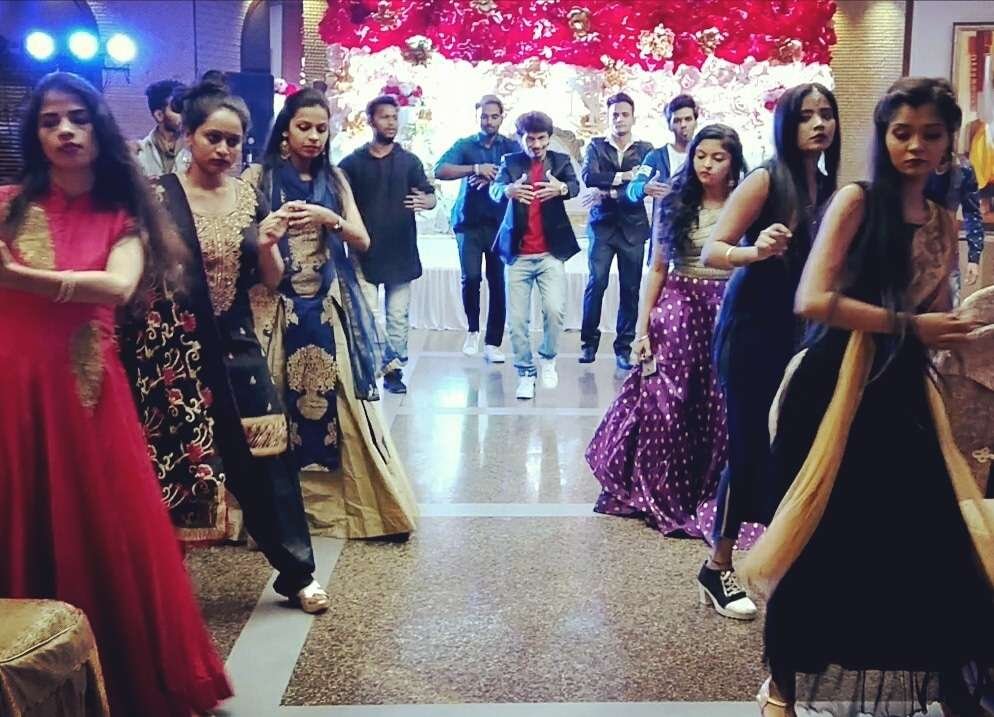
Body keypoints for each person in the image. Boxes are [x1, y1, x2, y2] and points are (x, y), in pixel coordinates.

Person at [739, 77, 994, 717]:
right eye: (902, 132)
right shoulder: (857, 200)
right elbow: (812, 299)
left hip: (903, 389)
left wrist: (955, 330)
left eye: (930, 134)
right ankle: (784, 685)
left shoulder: (943, 219)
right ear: (883, 137)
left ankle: (953, 680)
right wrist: (913, 326)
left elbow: (934, 312)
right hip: (832, 384)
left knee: (928, 533)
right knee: (819, 535)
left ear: (948, 143)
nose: (915, 146)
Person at [0, 71, 231, 716]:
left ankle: (116, 678)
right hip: (11, 388)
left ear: (100, 129)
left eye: (78, 118)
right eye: (50, 121)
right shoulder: (8, 204)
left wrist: (18, 278)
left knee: (101, 526)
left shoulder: (123, 213)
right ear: (35, 134)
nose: (65, 131)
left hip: (85, 394)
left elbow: (118, 286)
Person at [120, 80, 331, 613]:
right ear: (188, 136)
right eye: (212, 137)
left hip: (238, 346)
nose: (223, 149)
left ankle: (298, 573)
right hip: (173, 354)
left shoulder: (247, 197)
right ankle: (164, 582)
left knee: (269, 455)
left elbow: (271, 279)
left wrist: (269, 244)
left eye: (233, 141)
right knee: (171, 461)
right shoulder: (156, 195)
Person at [242, 88, 418, 539]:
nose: (314, 136)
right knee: (275, 402)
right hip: (274, 308)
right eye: (304, 127)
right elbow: (240, 241)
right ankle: (275, 512)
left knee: (342, 405)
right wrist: (268, 232)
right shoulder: (258, 178)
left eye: (322, 129)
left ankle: (357, 509)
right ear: (284, 130)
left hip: (326, 304)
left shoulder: (334, 179)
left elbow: (362, 239)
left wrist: (328, 217)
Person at [699, 83, 840, 619]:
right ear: (786, 124)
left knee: (796, 445)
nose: (818, 124)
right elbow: (712, 249)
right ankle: (717, 566)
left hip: (801, 332)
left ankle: (785, 563)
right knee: (748, 447)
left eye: (825, 114)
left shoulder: (829, 186)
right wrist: (754, 251)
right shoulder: (765, 178)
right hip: (752, 330)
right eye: (806, 116)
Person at [587, 124, 745, 543]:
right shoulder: (677, 201)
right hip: (679, 307)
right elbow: (657, 268)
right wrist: (642, 330)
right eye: (700, 156)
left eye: (718, 158)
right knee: (668, 402)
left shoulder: (747, 202)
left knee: (719, 405)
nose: (707, 165)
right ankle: (661, 492)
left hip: (728, 308)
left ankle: (711, 492)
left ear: (733, 162)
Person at [339, 94, 436, 394]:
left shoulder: (409, 162)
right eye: (385, 117)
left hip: (401, 252)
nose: (391, 123)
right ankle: (369, 371)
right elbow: (338, 201)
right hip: (364, 253)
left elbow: (430, 196)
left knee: (397, 317)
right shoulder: (352, 164)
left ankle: (395, 372)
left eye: (395, 117)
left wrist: (428, 201)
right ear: (371, 121)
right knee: (366, 316)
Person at [490, 111, 580, 400]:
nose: (537, 144)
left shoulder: (560, 161)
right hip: (518, 255)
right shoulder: (510, 162)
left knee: (554, 311)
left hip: (550, 253)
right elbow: (494, 190)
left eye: (542, 138)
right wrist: (508, 190)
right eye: (530, 139)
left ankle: (548, 358)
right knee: (517, 322)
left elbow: (575, 186)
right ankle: (525, 373)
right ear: (521, 139)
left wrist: (561, 188)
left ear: (549, 138)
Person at [435, 94, 518, 361]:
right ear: (477, 117)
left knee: (498, 281)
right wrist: (475, 168)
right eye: (484, 116)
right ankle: (472, 330)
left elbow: (524, 173)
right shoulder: (465, 145)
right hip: (468, 223)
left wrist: (494, 179)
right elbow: (440, 170)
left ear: (502, 117)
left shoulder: (512, 146)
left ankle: (493, 343)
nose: (489, 121)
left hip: (499, 224)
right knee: (470, 278)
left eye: (494, 116)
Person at [578, 92, 654, 369]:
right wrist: (624, 177)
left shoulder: (646, 150)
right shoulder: (596, 146)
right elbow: (589, 177)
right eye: (615, 115)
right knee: (596, 283)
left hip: (633, 228)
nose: (619, 119)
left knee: (630, 289)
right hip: (602, 226)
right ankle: (588, 343)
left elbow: (641, 189)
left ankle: (624, 347)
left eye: (624, 114)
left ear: (633, 117)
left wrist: (607, 192)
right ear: (608, 117)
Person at [925, 153, 985, 303]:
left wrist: (974, 257)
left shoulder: (963, 169)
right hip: (913, 248)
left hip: (947, 251)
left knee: (950, 305)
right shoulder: (918, 164)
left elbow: (972, 212)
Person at [626, 94, 699, 216]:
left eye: (688, 119)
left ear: (695, 122)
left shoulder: (705, 155)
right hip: (665, 224)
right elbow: (632, 190)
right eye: (677, 120)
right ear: (670, 125)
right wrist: (644, 188)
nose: (683, 125)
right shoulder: (656, 156)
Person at [134, 78, 188, 177]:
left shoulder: (195, 149)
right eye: (178, 107)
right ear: (159, 115)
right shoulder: (139, 153)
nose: (185, 114)